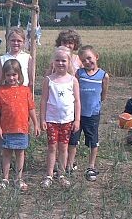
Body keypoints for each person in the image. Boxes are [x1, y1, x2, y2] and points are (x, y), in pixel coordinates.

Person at [0, 59, 40, 190]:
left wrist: (36, 124)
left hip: (21, 128)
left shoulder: (25, 90)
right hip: (6, 128)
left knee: (20, 153)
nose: (11, 78)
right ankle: (5, 178)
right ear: (4, 76)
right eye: (8, 75)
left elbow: (31, 108)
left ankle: (18, 178)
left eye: (14, 75)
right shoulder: (1, 90)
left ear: (19, 74)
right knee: (7, 153)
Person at [40, 47, 81, 188]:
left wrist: (77, 120)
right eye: (57, 60)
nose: (60, 63)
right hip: (52, 120)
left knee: (63, 148)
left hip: (67, 120)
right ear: (53, 62)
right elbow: (43, 100)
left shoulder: (73, 80)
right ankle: (49, 175)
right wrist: (42, 119)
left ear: (69, 62)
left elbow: (77, 101)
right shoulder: (48, 80)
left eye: (63, 60)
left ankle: (61, 174)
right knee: (52, 147)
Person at [67, 45, 109, 181]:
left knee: (92, 141)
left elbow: (103, 94)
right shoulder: (79, 73)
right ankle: (69, 164)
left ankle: (91, 166)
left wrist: (96, 104)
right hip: (77, 114)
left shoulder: (103, 75)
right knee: (73, 140)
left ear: (96, 57)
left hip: (92, 114)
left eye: (89, 58)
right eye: (83, 60)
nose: (87, 62)